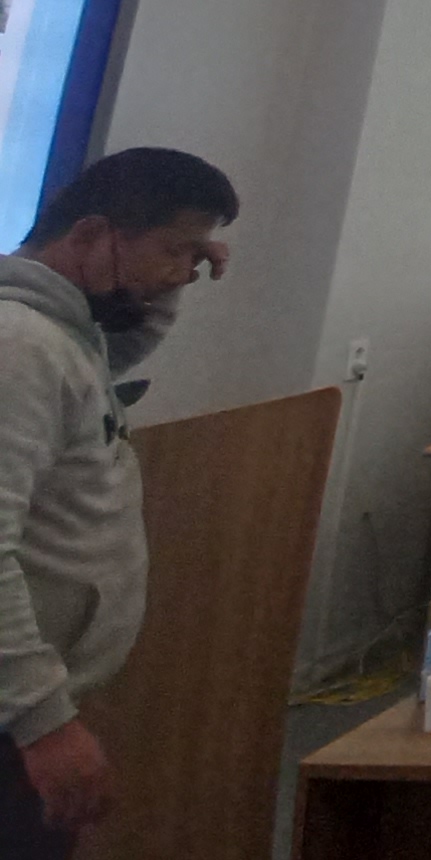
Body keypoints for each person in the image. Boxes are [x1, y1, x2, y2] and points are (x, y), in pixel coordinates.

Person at [0, 148, 236, 854]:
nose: (184, 270)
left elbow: (108, 360)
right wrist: (44, 724)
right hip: (13, 719)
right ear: (90, 235)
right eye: (173, 250)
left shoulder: (61, 336)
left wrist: (166, 282)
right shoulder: (20, 346)